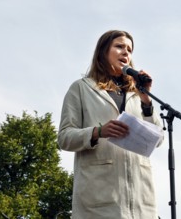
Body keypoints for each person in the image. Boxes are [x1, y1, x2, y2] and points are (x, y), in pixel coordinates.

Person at [58, 30, 163, 219]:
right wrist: (97, 132)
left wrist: (146, 100)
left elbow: (158, 139)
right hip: (99, 202)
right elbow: (64, 137)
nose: (126, 53)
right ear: (103, 52)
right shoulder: (81, 88)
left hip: (141, 204)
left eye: (129, 50)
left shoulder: (138, 94)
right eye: (119, 46)